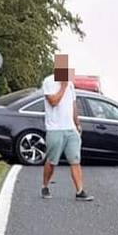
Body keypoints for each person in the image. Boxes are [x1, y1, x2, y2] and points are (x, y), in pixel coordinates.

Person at [41, 53, 93, 201]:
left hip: (70, 128)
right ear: (56, 67)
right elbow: (53, 101)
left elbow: (73, 104)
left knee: (75, 160)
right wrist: (63, 86)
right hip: (55, 128)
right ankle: (45, 185)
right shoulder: (49, 82)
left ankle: (80, 191)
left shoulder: (70, 83)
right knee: (52, 161)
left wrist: (77, 123)